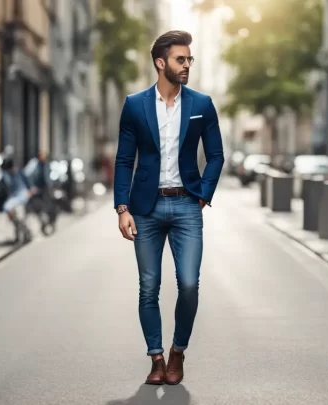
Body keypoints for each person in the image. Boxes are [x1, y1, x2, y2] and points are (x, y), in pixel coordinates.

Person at [113, 30, 225, 386]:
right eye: (181, 59)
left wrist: (204, 194)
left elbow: (217, 155)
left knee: (189, 284)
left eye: (189, 59)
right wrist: (122, 207)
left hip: (186, 205)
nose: (187, 64)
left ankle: (178, 351)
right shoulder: (134, 105)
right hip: (145, 208)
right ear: (161, 63)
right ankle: (156, 359)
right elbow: (123, 159)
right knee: (149, 287)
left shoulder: (201, 105)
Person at [0, 156, 33, 244]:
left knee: (19, 217)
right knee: (14, 217)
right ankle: (20, 235)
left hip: (22, 196)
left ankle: (26, 232)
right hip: (14, 197)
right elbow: (8, 188)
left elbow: (27, 183)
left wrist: (29, 191)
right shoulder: (7, 175)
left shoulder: (19, 172)